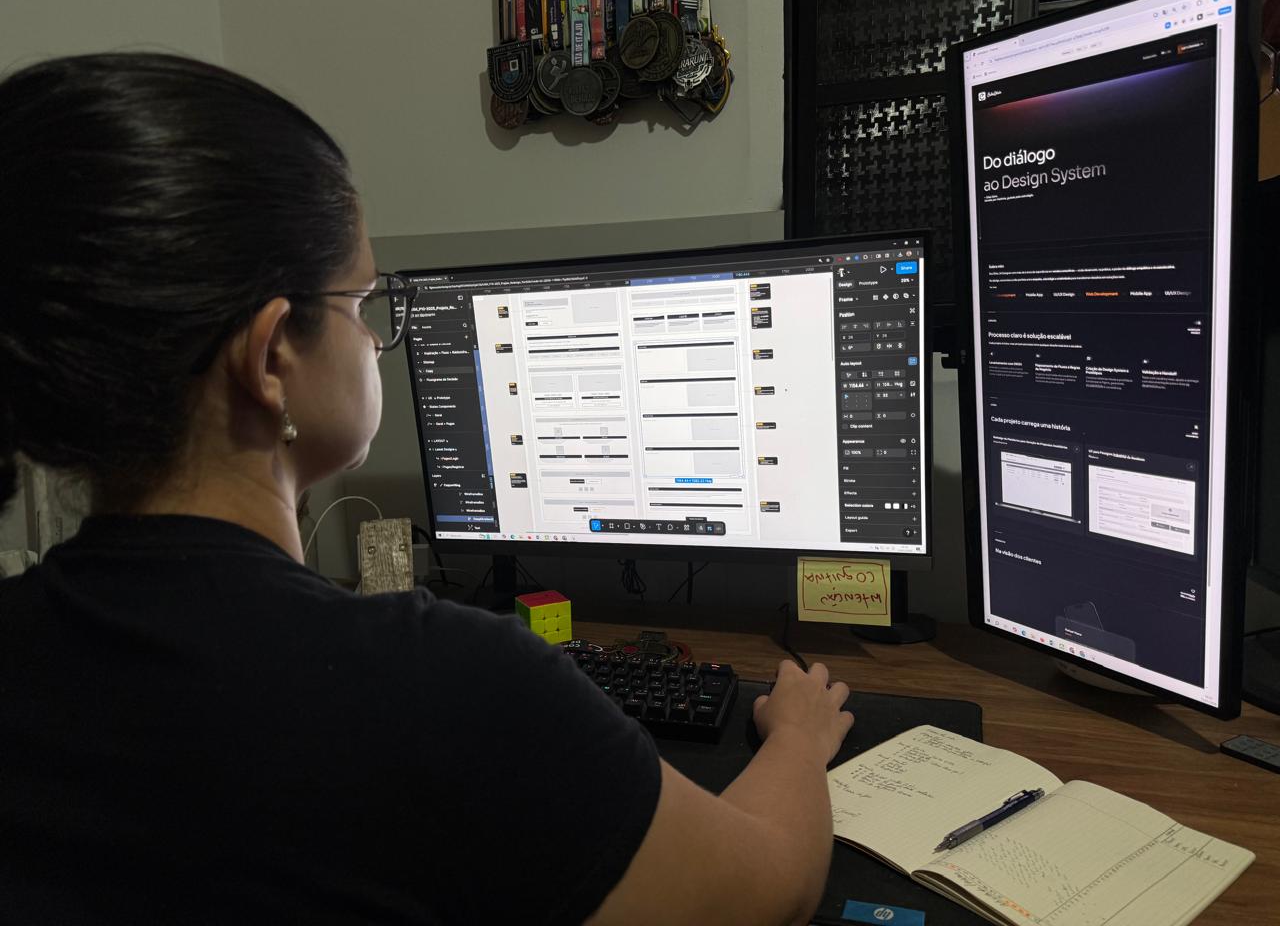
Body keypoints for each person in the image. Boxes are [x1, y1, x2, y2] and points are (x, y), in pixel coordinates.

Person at [0, 52, 854, 925]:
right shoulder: (443, 687)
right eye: (363, 302)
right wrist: (795, 737)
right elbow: (770, 889)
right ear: (270, 358)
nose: (377, 342)